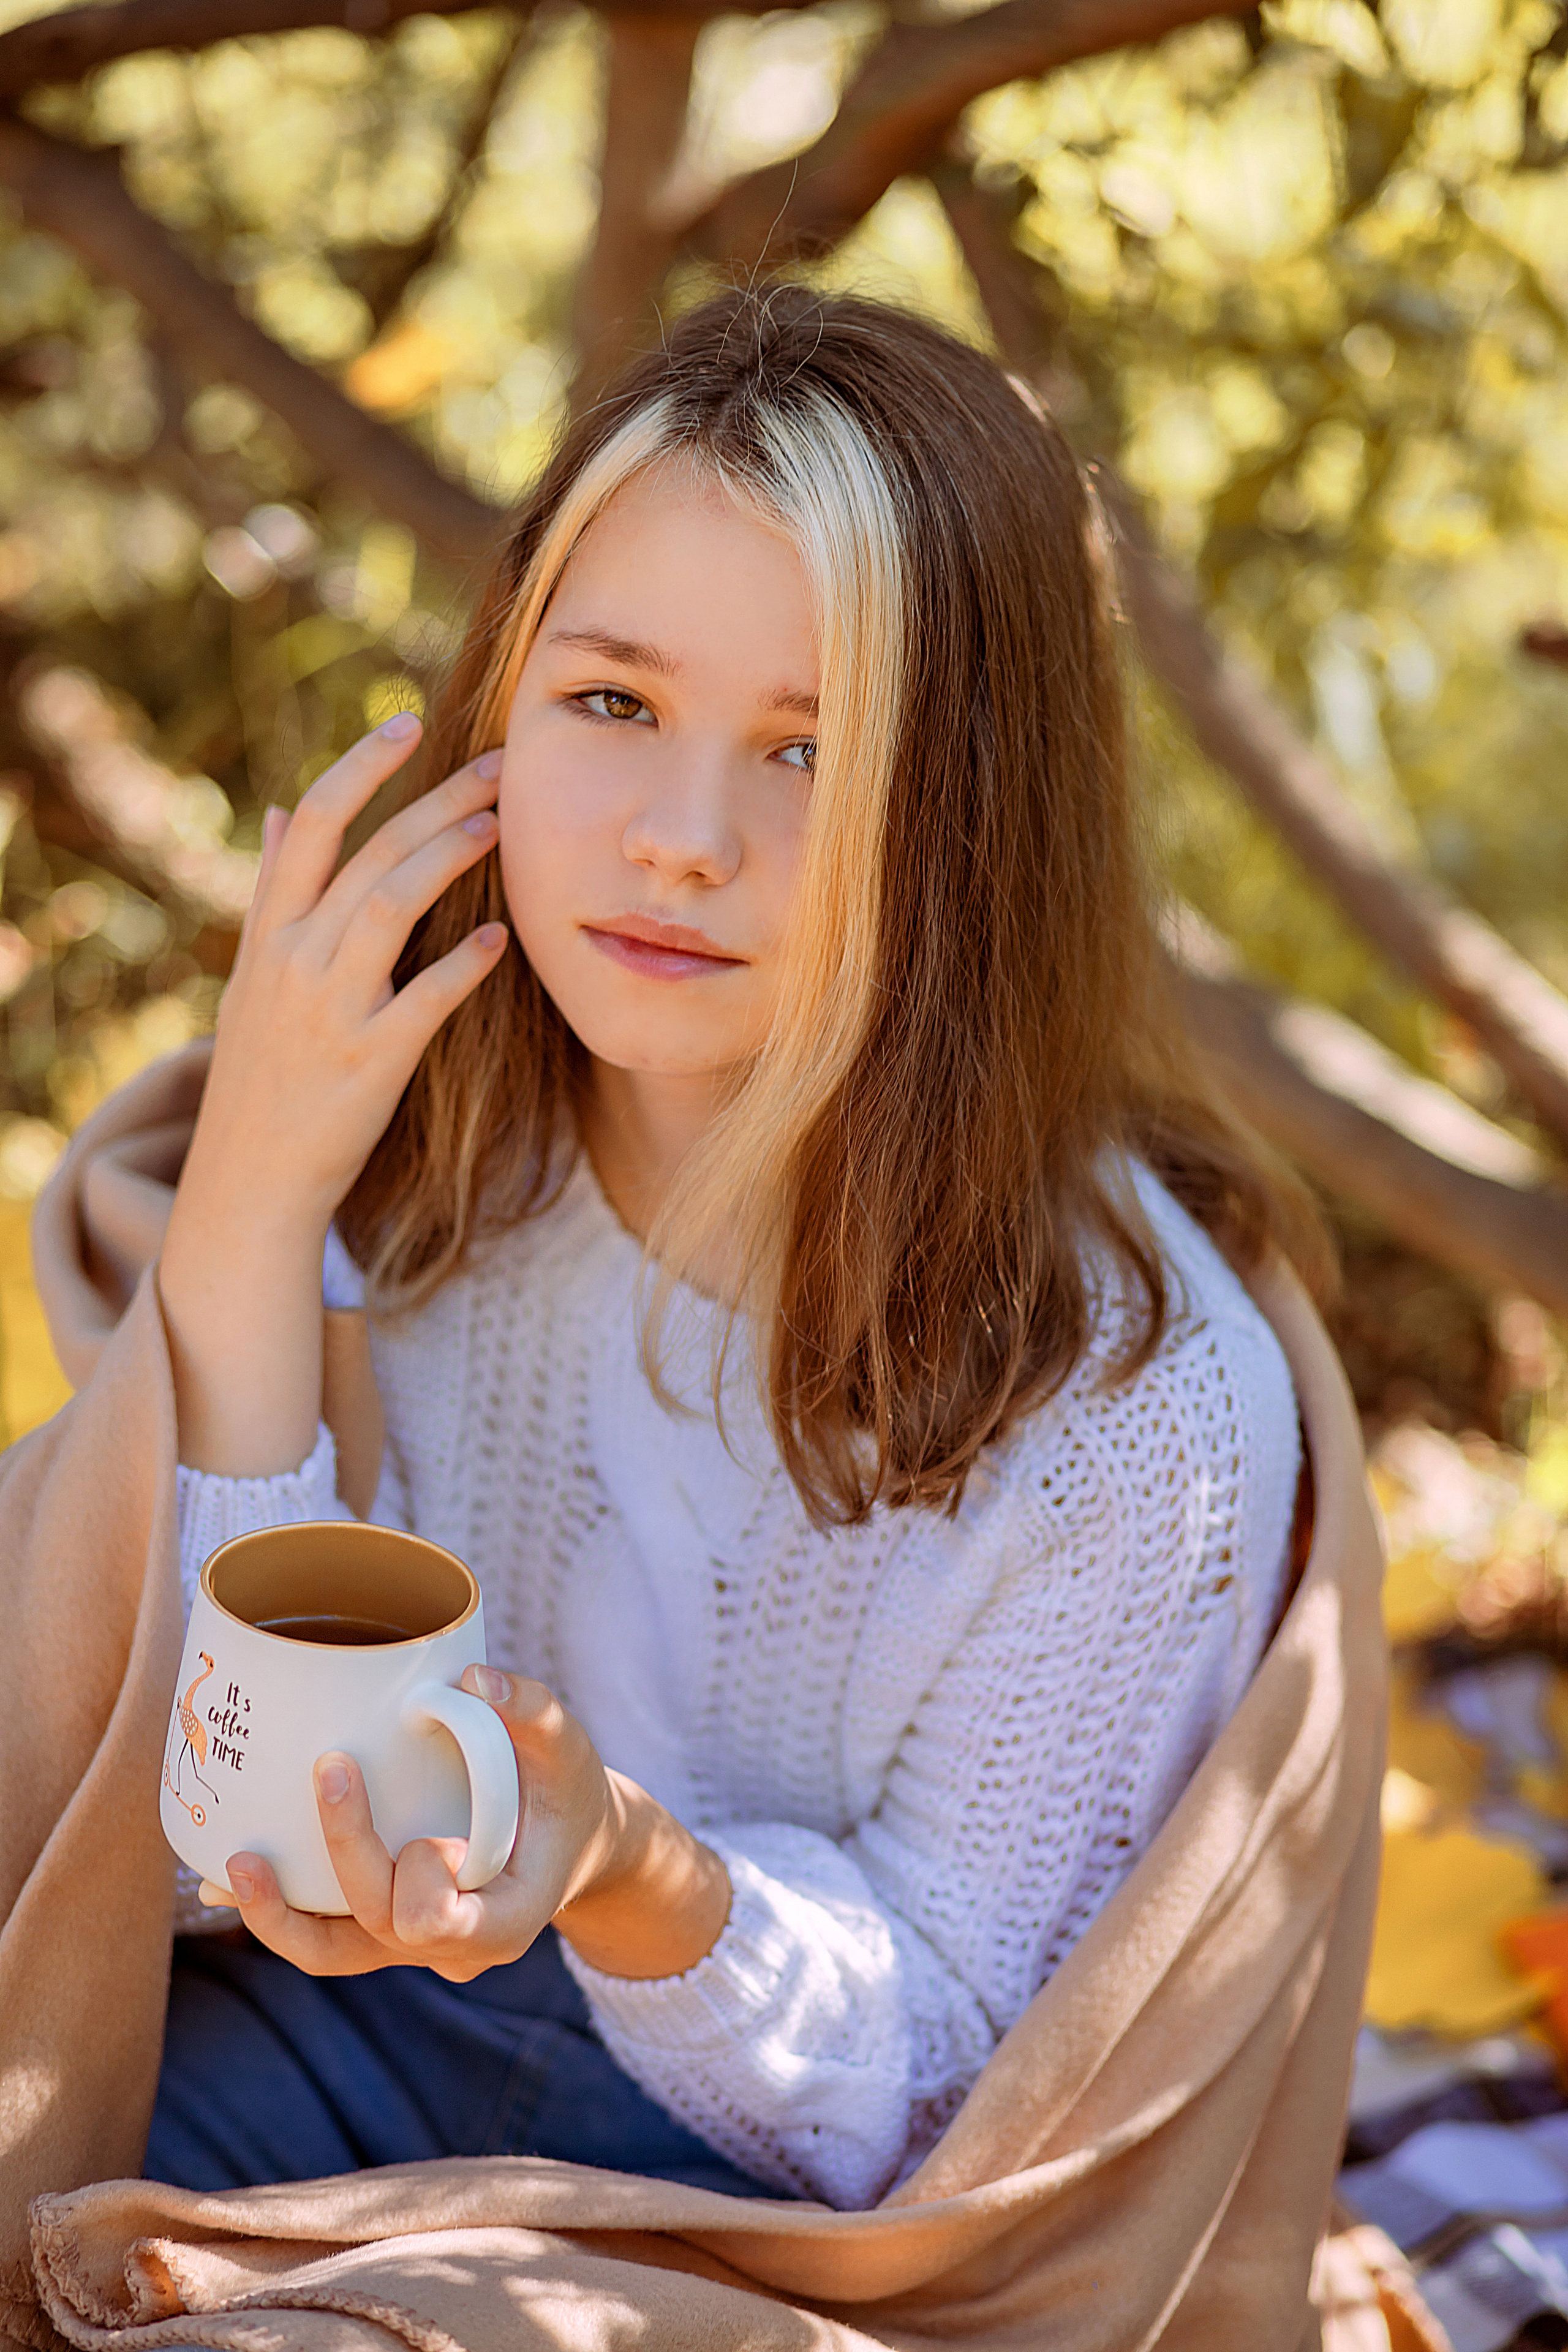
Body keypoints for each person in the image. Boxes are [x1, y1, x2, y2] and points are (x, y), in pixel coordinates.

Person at [146, 284, 1320, 2214]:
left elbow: (944, 2090)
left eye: (813, 749)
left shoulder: (1136, 1409)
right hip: (307, 2023)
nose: (684, 837)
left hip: (731, 2188)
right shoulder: (407, 1133)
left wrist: (622, 1866)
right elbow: (225, 1824)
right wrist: (253, 1216)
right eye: (613, 703)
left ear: (971, 818)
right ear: (501, 706)